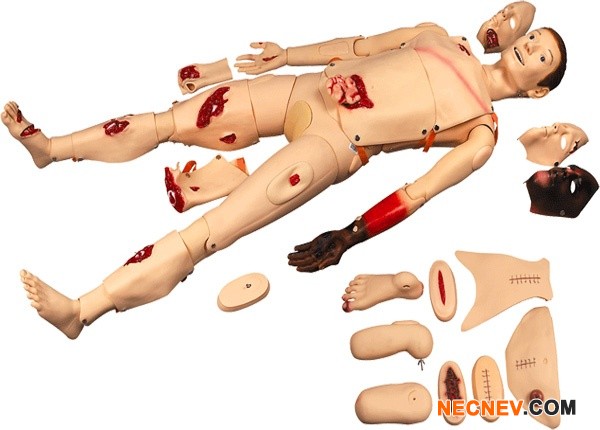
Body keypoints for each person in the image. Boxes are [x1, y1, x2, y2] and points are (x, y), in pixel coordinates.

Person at [2, 23, 566, 339]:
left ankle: (83, 310)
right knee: (171, 120)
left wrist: (349, 235)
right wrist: (287, 56)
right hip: (308, 89)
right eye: (536, 37)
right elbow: (359, 48)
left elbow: (418, 192)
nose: (531, 46)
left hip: (335, 145)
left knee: (211, 230)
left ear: (538, 90)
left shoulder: (482, 132)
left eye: (542, 56)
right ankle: (52, 149)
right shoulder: (438, 35)